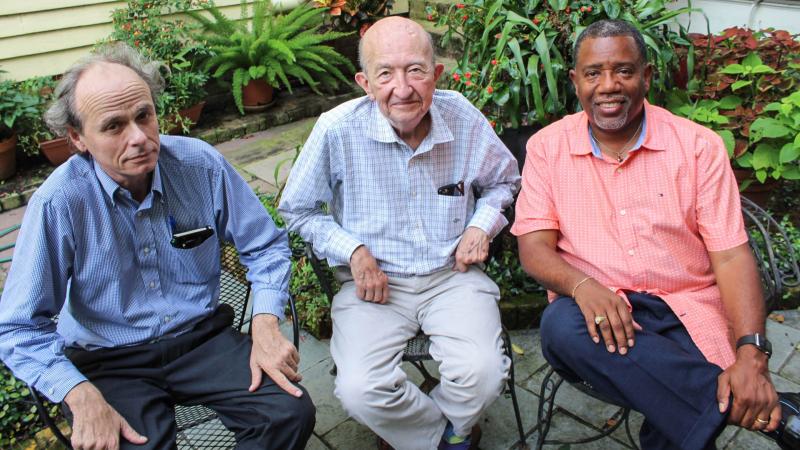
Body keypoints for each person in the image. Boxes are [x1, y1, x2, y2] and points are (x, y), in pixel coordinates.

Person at [0, 43, 315, 450]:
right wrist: (78, 393)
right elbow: (18, 327)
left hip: (201, 340)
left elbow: (266, 245)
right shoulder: (60, 203)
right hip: (111, 361)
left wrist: (266, 323)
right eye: (114, 126)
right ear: (77, 138)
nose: (139, 138)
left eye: (144, 116)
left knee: (289, 413)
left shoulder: (199, 165)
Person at [512, 19, 800, 449]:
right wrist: (582, 285)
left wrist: (751, 357)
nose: (608, 85)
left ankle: (726, 408)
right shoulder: (547, 148)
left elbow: (731, 255)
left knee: (674, 395)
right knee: (560, 325)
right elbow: (533, 248)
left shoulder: (698, 147)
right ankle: (777, 414)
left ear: (646, 77)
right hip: (596, 312)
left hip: (687, 307)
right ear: (576, 81)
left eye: (624, 71)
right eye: (594, 73)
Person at [278, 16, 520, 450]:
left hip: (452, 277)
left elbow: (504, 182)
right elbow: (296, 210)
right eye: (385, 73)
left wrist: (481, 225)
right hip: (373, 287)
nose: (402, 88)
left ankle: (422, 431)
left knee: (484, 375)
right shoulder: (337, 129)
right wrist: (351, 250)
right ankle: (442, 436)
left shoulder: (462, 117)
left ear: (436, 75)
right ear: (365, 82)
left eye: (415, 70)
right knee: (359, 390)